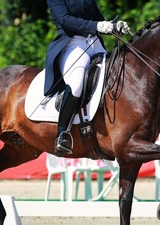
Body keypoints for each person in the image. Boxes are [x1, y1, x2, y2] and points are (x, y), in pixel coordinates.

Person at [44, 0, 130, 154]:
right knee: (76, 84)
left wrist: (115, 26)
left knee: (119, 73)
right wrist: (96, 26)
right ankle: (63, 133)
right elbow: (65, 20)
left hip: (95, 44)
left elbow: (99, 19)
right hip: (73, 44)